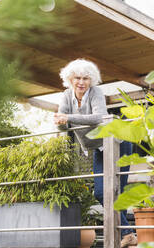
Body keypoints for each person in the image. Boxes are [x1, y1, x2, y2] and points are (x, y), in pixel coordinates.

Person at [54, 59, 137, 247]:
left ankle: (126, 234)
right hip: (99, 147)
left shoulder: (96, 93)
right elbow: (64, 125)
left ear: (91, 80)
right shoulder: (66, 96)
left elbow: (99, 117)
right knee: (102, 192)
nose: (81, 82)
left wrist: (68, 117)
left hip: (118, 141)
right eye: (77, 78)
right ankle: (127, 235)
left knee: (111, 192)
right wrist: (60, 122)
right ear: (70, 79)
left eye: (85, 78)